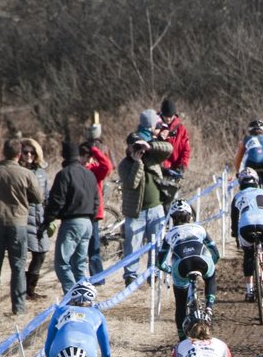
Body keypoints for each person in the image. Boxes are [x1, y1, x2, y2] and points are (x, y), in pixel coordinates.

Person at [0, 138, 43, 314]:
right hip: (19, 226)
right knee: (18, 267)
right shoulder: (26, 174)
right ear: (19, 154)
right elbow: (39, 198)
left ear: (3, 153)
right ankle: (19, 308)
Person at [40, 138, 101, 292]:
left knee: (62, 263)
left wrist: (47, 221)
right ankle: (84, 296)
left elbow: (56, 201)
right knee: (79, 265)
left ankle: (72, 296)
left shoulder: (64, 174)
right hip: (88, 224)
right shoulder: (89, 174)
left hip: (72, 223)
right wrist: (91, 218)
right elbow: (96, 200)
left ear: (63, 155)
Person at [119, 115, 174, 285]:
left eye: (138, 145)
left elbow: (168, 149)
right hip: (136, 212)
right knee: (132, 245)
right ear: (128, 148)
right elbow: (131, 184)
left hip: (156, 208)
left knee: (157, 243)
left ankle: (154, 272)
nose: (136, 149)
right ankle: (131, 275)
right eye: (133, 146)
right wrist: (137, 162)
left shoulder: (151, 157)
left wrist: (149, 146)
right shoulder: (125, 164)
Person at [156, 199, 220, 336]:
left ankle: (180, 337)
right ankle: (209, 308)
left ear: (172, 218)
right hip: (202, 261)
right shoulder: (199, 229)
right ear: (190, 216)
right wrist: (211, 267)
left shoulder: (169, 235)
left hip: (181, 266)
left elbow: (159, 263)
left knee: (180, 305)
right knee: (211, 276)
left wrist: (168, 270)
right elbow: (216, 254)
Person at [231, 168, 263, 298]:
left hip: (245, 226)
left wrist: (235, 234)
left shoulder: (237, 197)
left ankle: (249, 291)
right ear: (256, 181)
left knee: (248, 255)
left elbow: (234, 220)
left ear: (241, 183)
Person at [42, 280, 111, 357]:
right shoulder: (98, 314)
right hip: (87, 350)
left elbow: (48, 343)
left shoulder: (60, 310)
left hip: (59, 350)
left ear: (72, 297)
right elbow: (105, 350)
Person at [19, 138, 51, 302]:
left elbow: (47, 195)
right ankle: (20, 290)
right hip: (23, 218)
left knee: (41, 253)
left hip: (39, 218)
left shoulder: (41, 173)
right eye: (25, 152)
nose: (29, 155)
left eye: (32, 152)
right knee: (22, 255)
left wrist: (49, 216)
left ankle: (30, 289)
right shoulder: (17, 170)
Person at [80, 140, 114, 276]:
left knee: (94, 249)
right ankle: (80, 278)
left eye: (89, 156)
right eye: (84, 156)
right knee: (80, 249)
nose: (87, 159)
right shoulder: (75, 170)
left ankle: (97, 278)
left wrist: (94, 150)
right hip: (79, 213)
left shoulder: (95, 170)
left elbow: (108, 166)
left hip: (93, 214)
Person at [235, 119, 263, 194]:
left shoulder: (246, 139)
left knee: (248, 188)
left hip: (251, 163)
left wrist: (238, 171)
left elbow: (239, 158)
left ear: (250, 130)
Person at [159, 97, 192, 202]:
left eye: (170, 116)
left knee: (171, 200)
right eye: (165, 116)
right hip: (159, 169)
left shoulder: (180, 129)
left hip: (174, 169)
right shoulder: (156, 126)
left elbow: (186, 150)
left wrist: (182, 165)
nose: (167, 119)